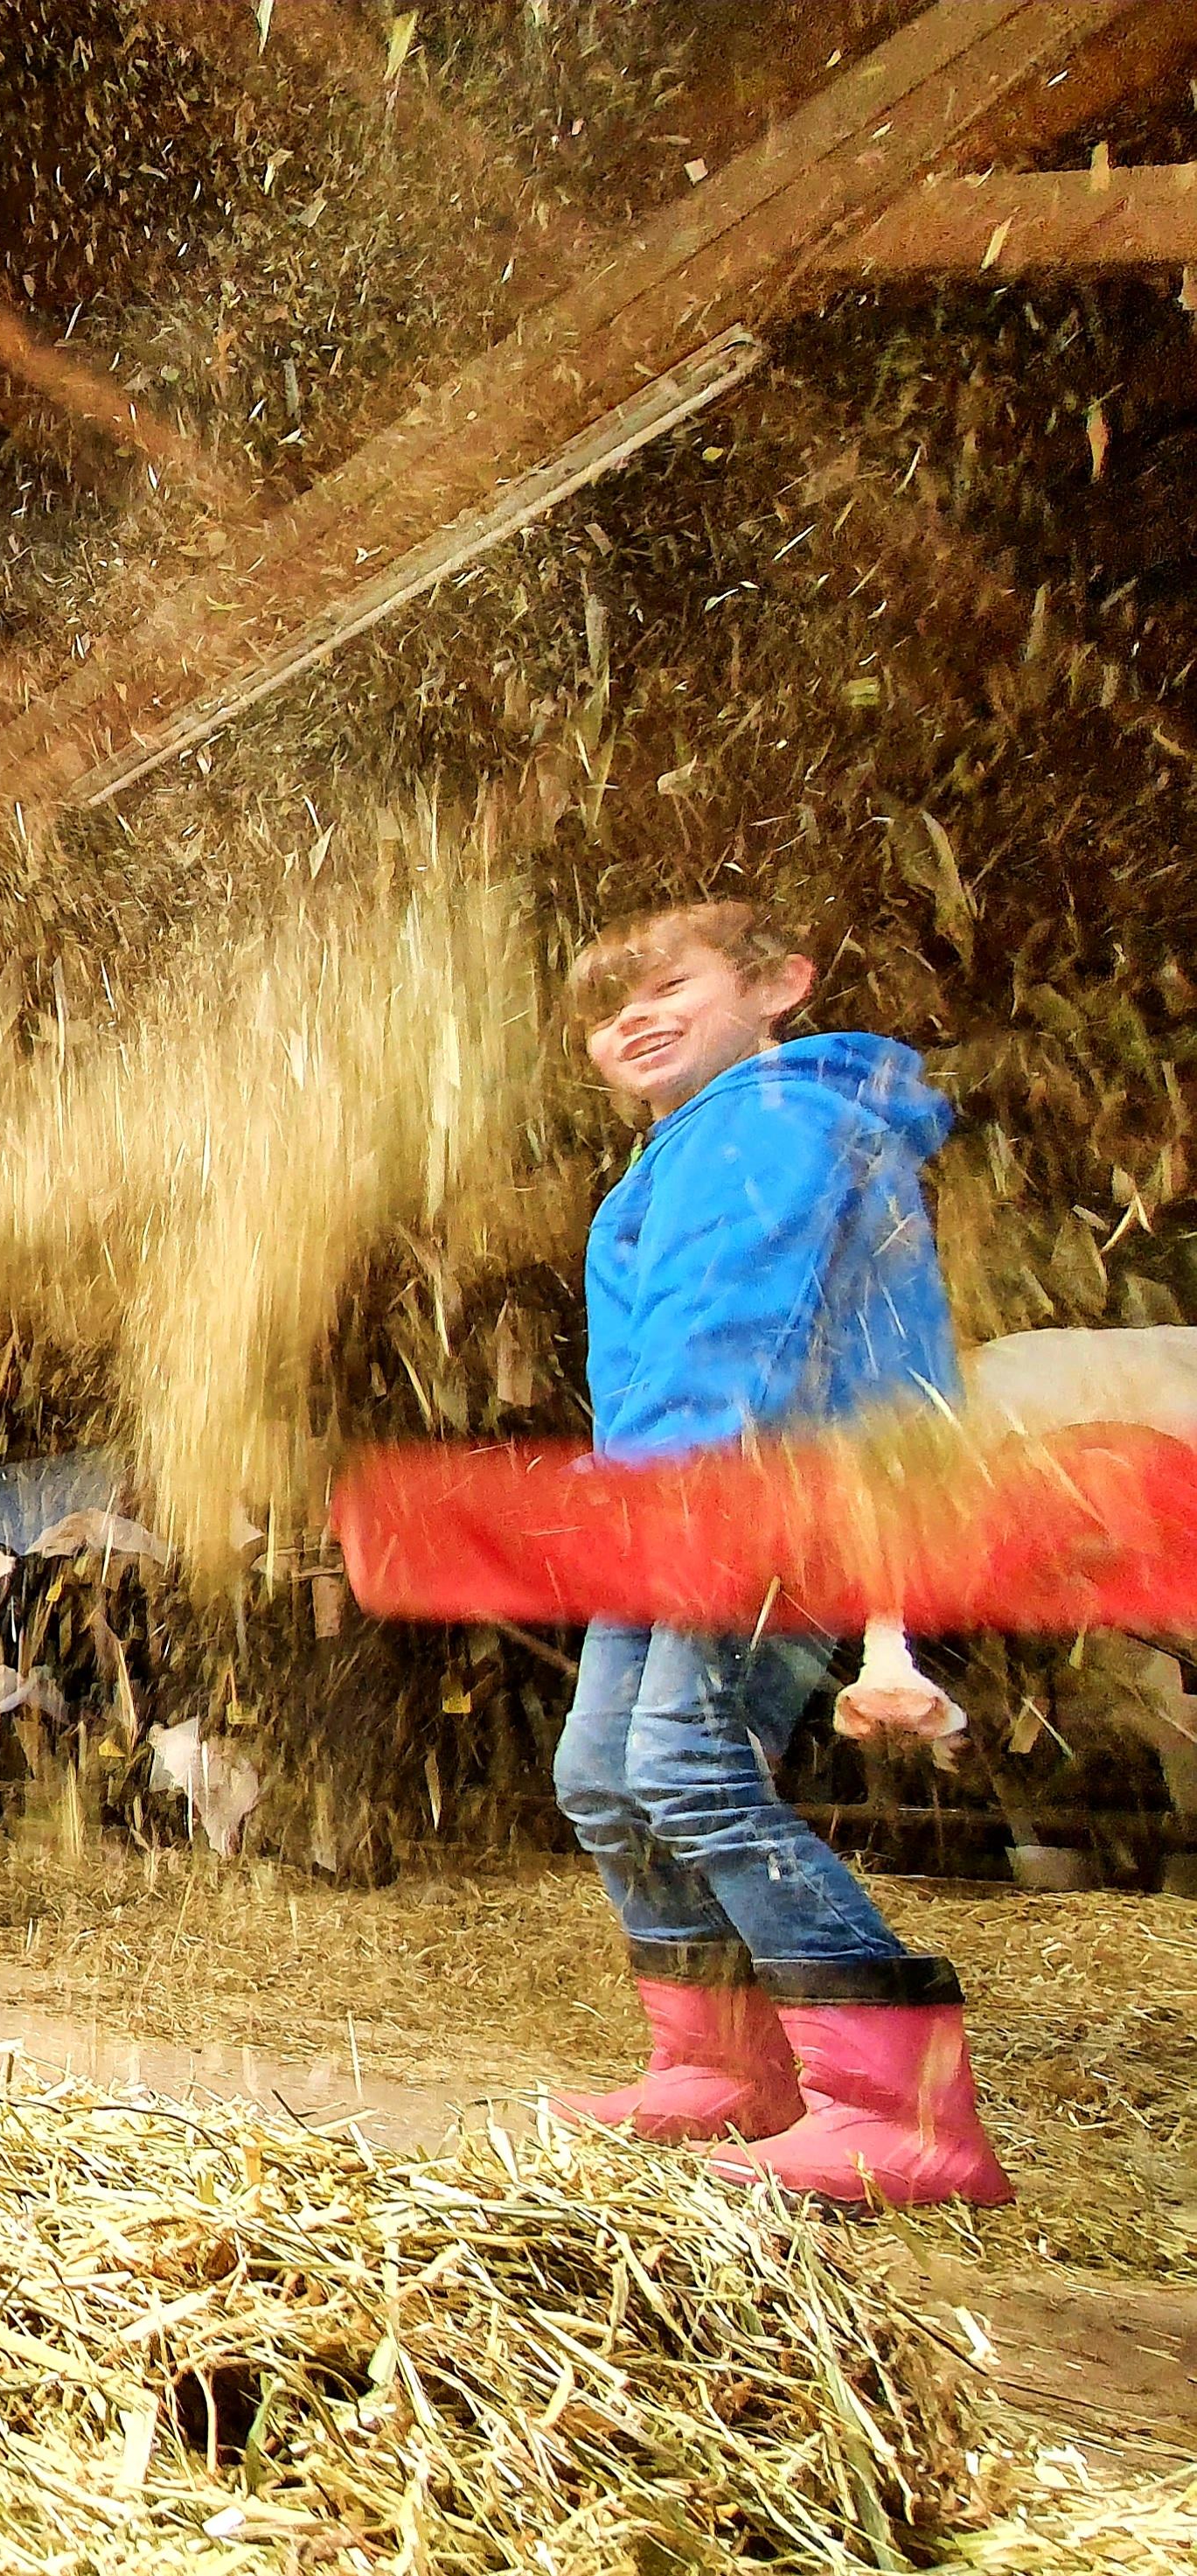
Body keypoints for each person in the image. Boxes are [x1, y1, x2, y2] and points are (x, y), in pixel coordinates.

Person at [549, 897, 1011, 2208]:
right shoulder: (683, 1150)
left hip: (767, 1488)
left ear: (781, 984)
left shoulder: (777, 1121)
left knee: (686, 1766)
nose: (630, 1017)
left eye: (665, 985)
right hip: (676, 1496)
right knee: (604, 1769)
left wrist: (679, 1478)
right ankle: (719, 2062)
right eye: (604, 1006)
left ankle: (900, 2106)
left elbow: (740, 1319)